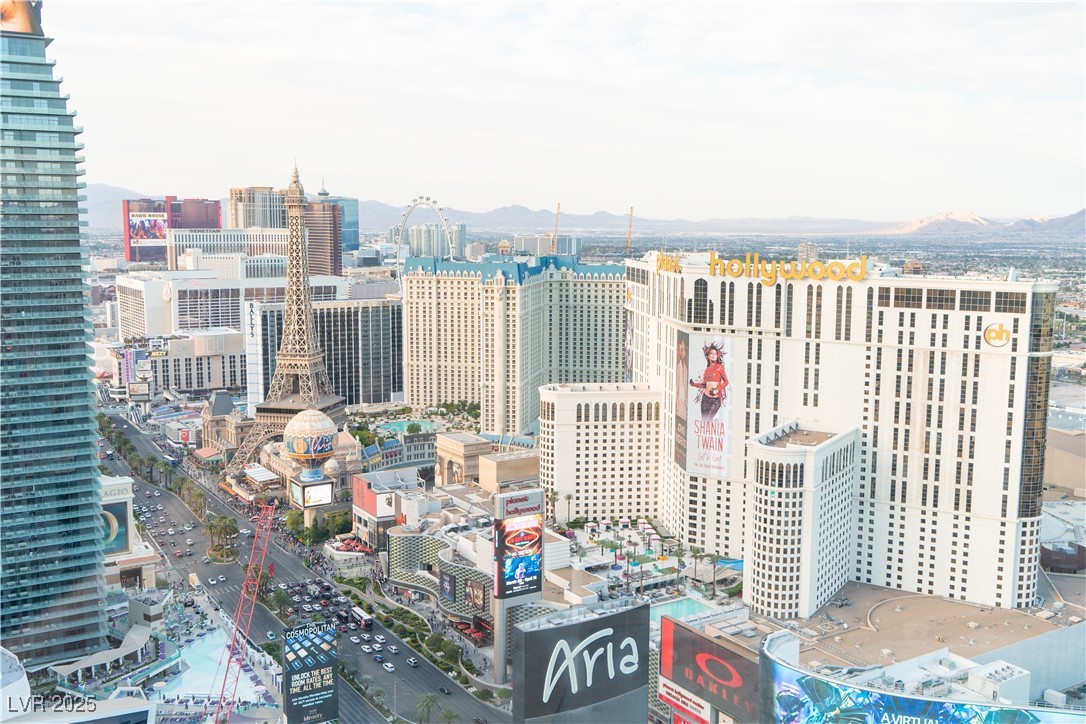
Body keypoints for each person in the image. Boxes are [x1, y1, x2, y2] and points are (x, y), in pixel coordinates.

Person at [689, 337, 728, 421]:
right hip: (705, 398)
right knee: (704, 421)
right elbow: (705, 385)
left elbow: (726, 382)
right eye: (711, 354)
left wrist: (717, 390)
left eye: (715, 354)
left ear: (717, 355)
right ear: (708, 356)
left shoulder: (720, 367)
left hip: (715, 400)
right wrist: (694, 384)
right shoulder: (707, 369)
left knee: (708, 420)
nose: (713, 355)